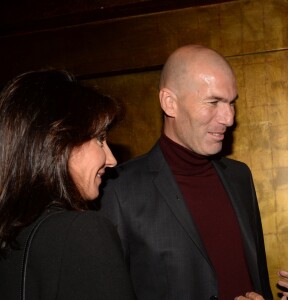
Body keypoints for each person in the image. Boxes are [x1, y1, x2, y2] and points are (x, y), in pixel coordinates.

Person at [100, 44, 273, 299]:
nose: (228, 118)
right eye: (213, 102)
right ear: (170, 103)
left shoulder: (239, 177)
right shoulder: (118, 189)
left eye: (231, 103)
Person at [0, 70, 136, 299]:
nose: (112, 160)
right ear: (59, 142)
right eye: (100, 139)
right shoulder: (81, 231)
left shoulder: (12, 233)